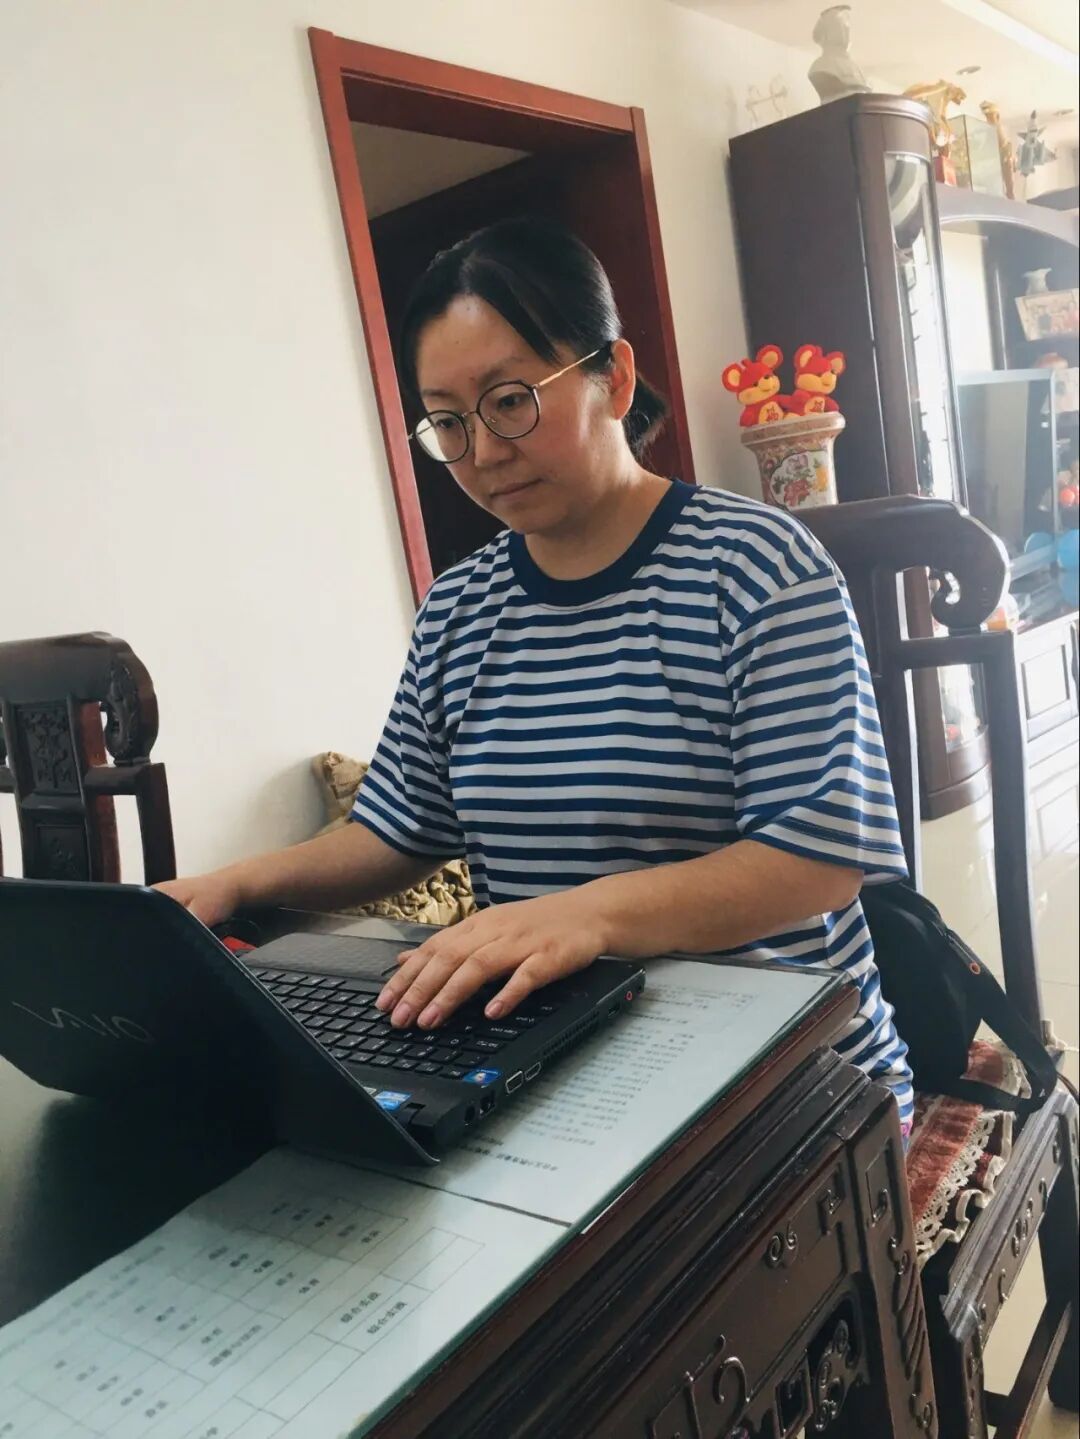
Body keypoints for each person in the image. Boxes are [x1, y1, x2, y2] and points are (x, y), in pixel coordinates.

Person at [158, 218, 914, 1138]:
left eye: (511, 400)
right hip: (556, 1064)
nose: (482, 452)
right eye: (448, 422)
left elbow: (817, 860)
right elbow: (397, 828)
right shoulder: (459, 609)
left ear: (615, 377)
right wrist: (233, 884)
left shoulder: (757, 568)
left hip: (786, 1074)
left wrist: (584, 917)